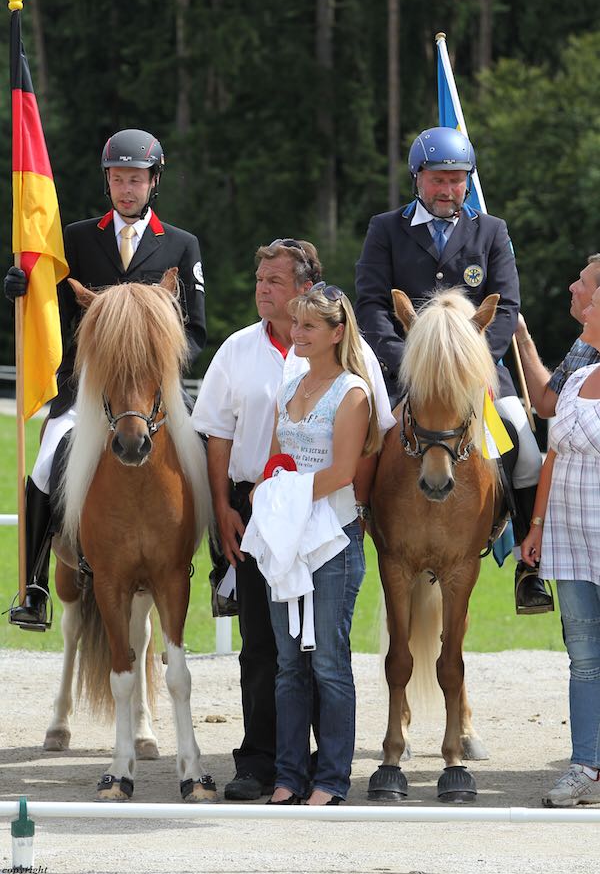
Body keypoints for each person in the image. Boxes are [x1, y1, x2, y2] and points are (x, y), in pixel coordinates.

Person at [192, 239, 394, 801]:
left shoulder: (353, 378)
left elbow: (361, 454)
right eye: (259, 279)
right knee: (275, 653)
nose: (262, 289)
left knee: (326, 657)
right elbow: (233, 437)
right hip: (269, 516)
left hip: (324, 521)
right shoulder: (254, 360)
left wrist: (313, 499)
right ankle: (275, 768)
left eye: (275, 281)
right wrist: (237, 505)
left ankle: (328, 774)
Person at [5, 128, 207, 630]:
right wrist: (20, 287)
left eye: (135, 180)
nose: (125, 188)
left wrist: (155, 361)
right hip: (86, 385)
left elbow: (196, 329)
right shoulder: (75, 238)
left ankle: (222, 569)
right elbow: (48, 309)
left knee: (205, 451)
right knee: (47, 461)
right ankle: (32, 586)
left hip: (151, 390)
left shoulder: (180, 245)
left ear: (153, 182)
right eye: (117, 179)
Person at [354, 125, 550, 614]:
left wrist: (474, 363)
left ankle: (530, 570)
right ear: (418, 178)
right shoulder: (386, 229)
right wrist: (410, 365)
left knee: (524, 446)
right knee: (363, 444)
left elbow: (505, 309)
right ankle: (351, 540)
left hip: (476, 376)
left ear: (468, 180)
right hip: (407, 376)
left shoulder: (491, 230)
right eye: (438, 179)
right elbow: (373, 305)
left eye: (457, 179)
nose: (447, 190)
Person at [257, 282, 380, 805]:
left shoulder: (352, 393)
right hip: (289, 535)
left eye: (308, 326)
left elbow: (343, 473)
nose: (297, 333)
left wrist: (288, 493)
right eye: (296, 324)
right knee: (288, 664)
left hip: (332, 537)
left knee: (329, 660)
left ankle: (331, 778)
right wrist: (272, 497)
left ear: (336, 333)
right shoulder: (288, 390)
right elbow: (275, 456)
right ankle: (288, 774)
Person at [521, 284, 600, 808]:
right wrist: (536, 526)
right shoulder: (573, 380)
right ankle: (585, 767)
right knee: (584, 659)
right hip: (570, 540)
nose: (584, 306)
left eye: (593, 301)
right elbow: (551, 458)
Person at [515, 255, 600, 417]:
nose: (572, 287)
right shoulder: (581, 347)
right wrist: (522, 336)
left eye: (582, 282)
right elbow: (546, 405)